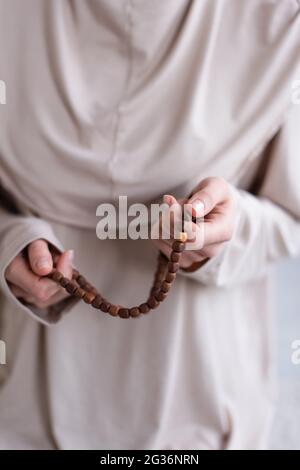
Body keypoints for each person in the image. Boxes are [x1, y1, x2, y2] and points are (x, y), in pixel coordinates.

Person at [0, 0, 300, 450]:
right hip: (27, 406)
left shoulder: (280, 18)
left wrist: (226, 231)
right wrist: (8, 242)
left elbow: (289, 216)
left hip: (203, 414)